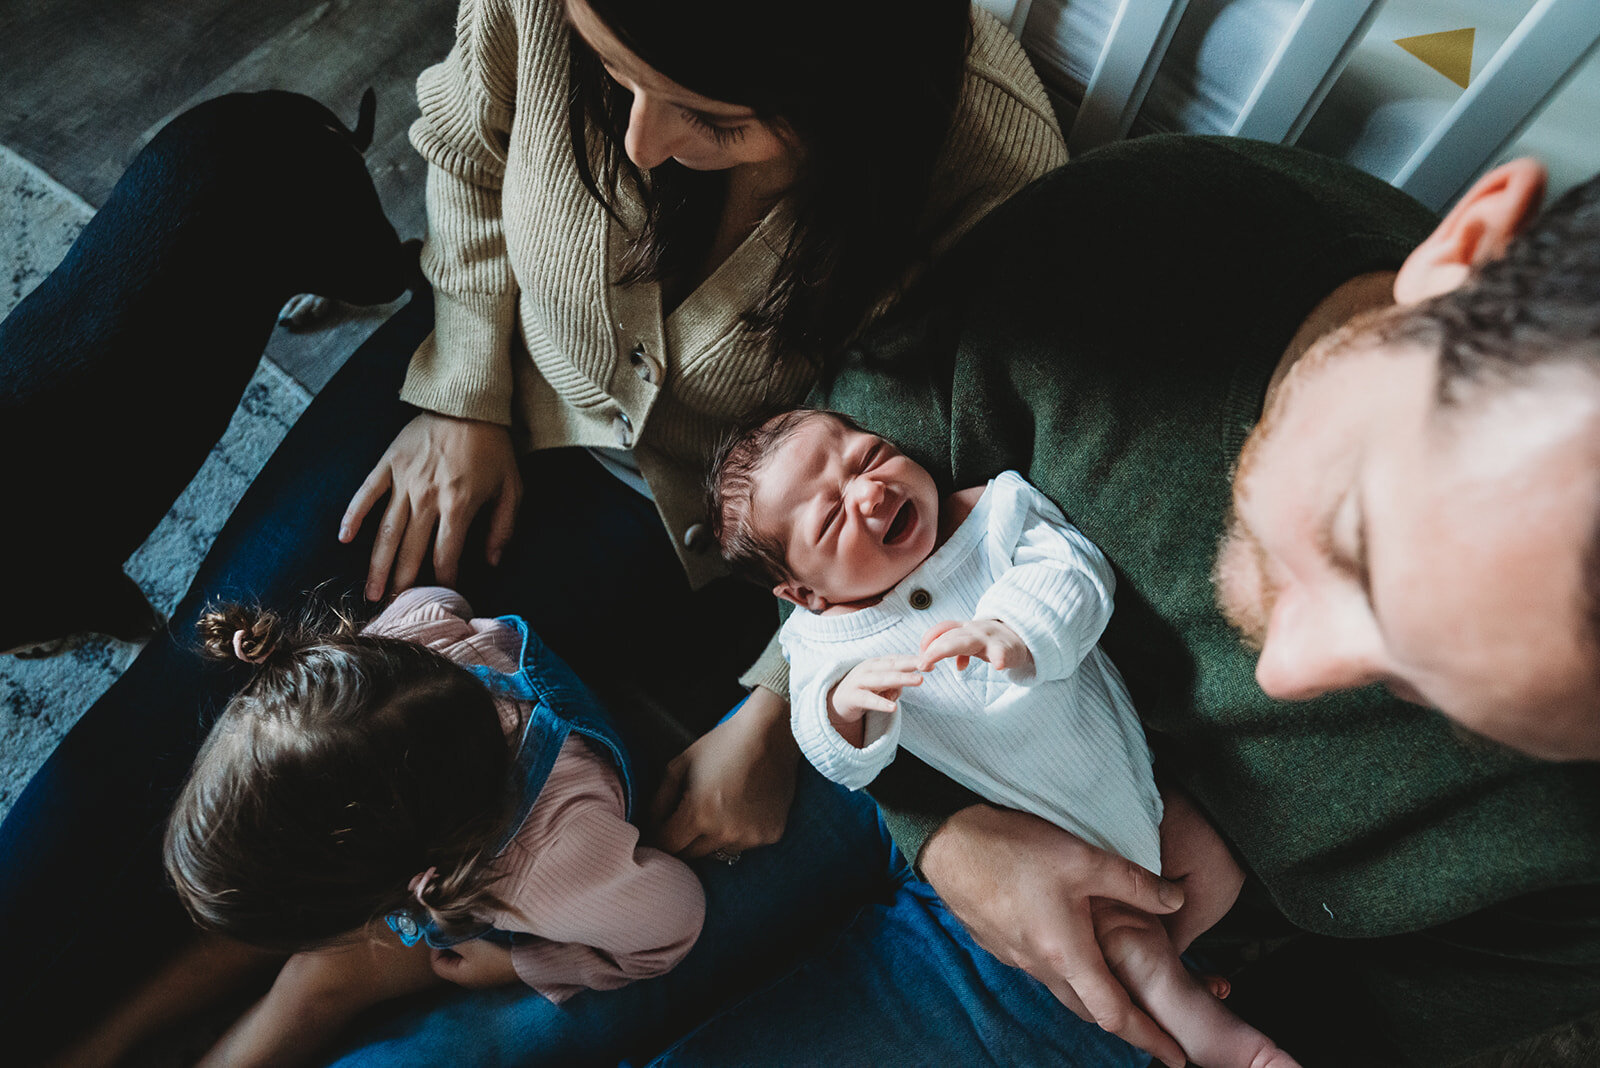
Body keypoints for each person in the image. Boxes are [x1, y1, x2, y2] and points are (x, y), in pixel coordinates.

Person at [0, 0, 1073, 1062]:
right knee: (213, 713)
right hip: (500, 385)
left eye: (711, 118)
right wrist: (461, 391)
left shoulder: (990, 177)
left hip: (693, 535)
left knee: (367, 819)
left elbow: (924, 479)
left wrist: (778, 709)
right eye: (615, 79)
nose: (644, 142)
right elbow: (466, 155)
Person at [660, 140, 1600, 1066]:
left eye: (1428, 695)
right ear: (1459, 259)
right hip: (897, 753)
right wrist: (928, 820)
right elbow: (824, 490)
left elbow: (1367, 1019)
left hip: (1144, 948)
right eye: (1357, 542)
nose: (1280, 673)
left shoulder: (1570, 856)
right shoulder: (1155, 240)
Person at [709, 407, 1298, 1068]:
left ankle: (1175, 963)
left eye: (870, 456)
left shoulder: (994, 513)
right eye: (833, 516)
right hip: (1033, 831)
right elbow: (831, 752)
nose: (871, 492)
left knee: (1210, 865)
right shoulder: (820, 643)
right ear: (805, 593)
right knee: (1127, 943)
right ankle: (1235, 1047)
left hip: (1149, 787)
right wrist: (844, 710)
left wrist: (1015, 630)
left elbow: (1075, 575)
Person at [70, 586, 703, 1067]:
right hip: (428, 819)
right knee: (252, 928)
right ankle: (89, 1049)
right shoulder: (406, 648)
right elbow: (440, 598)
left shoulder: (550, 871)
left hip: (487, 883)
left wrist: (527, 965)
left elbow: (674, 918)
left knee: (317, 982)